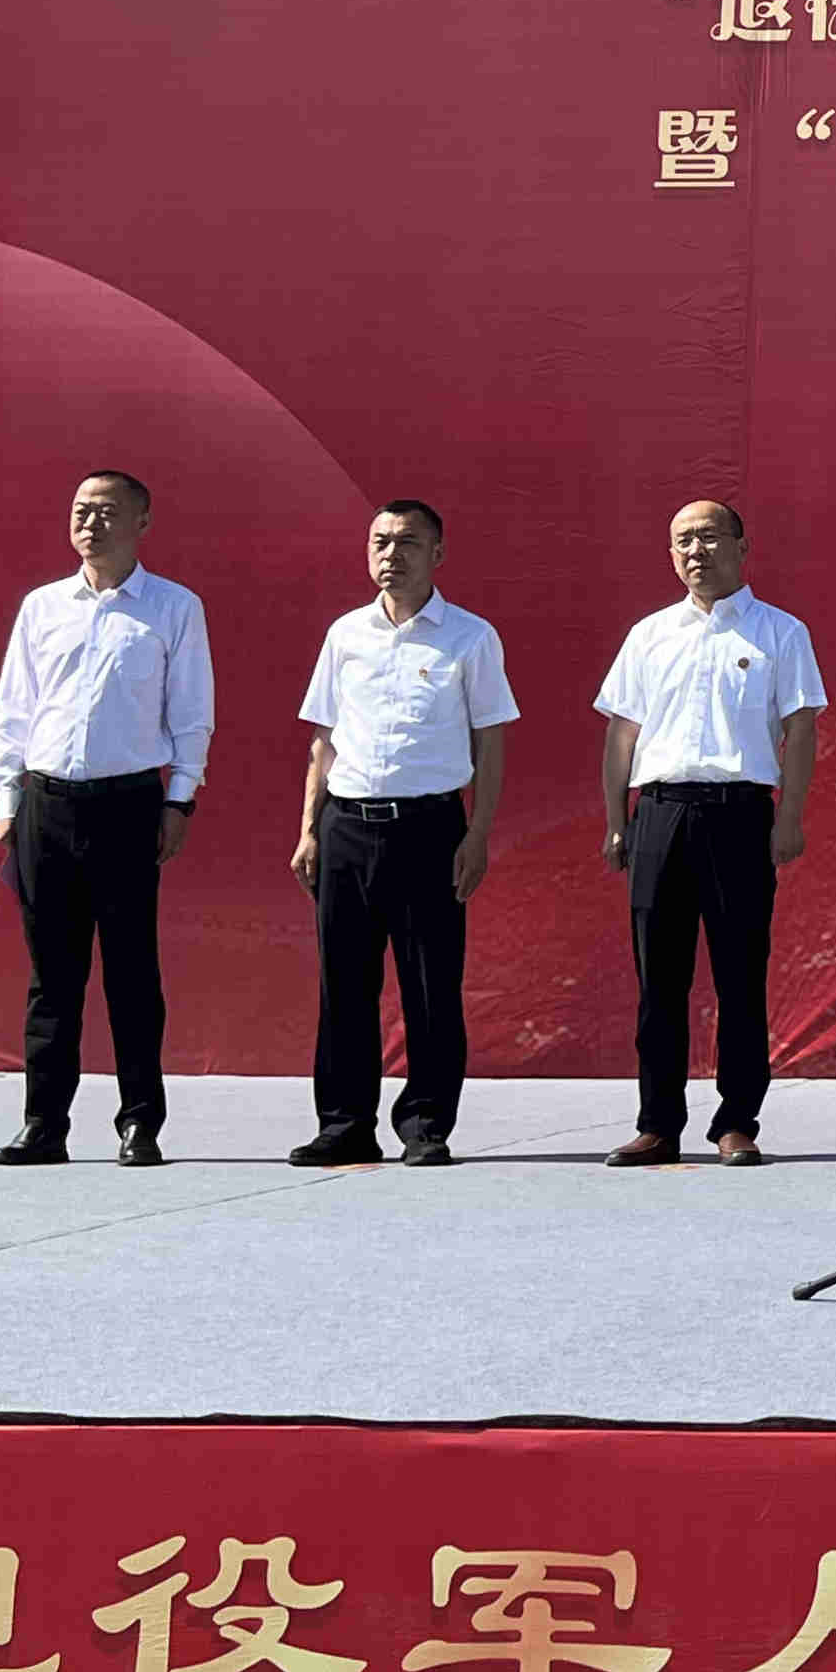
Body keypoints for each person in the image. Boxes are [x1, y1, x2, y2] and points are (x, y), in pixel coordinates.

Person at [0, 469, 214, 1167]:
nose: (91, 523)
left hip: (127, 805)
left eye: (108, 511)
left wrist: (180, 798)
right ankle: (43, 1124)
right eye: (82, 510)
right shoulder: (43, 606)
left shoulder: (172, 608)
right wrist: (7, 798)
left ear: (142, 522)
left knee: (131, 972)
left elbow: (192, 713)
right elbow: (16, 708)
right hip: (46, 803)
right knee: (51, 977)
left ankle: (139, 1123)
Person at [592, 500, 825, 1167]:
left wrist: (789, 816)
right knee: (659, 980)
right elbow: (623, 732)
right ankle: (658, 1123)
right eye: (682, 541)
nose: (696, 551)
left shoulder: (779, 632)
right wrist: (616, 820)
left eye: (709, 537)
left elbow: (801, 728)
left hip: (739, 815)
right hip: (659, 813)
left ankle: (736, 1121)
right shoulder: (650, 634)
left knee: (740, 977)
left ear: (741, 546)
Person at [286, 499, 516, 1169]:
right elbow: (324, 739)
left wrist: (478, 834)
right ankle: (345, 1123)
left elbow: (491, 742)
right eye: (381, 541)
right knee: (343, 984)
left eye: (409, 542)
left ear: (437, 554)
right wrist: (308, 830)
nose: (392, 554)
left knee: (430, 984)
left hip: (429, 829)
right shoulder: (345, 635)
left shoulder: (469, 638)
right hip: (346, 826)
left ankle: (425, 1123)